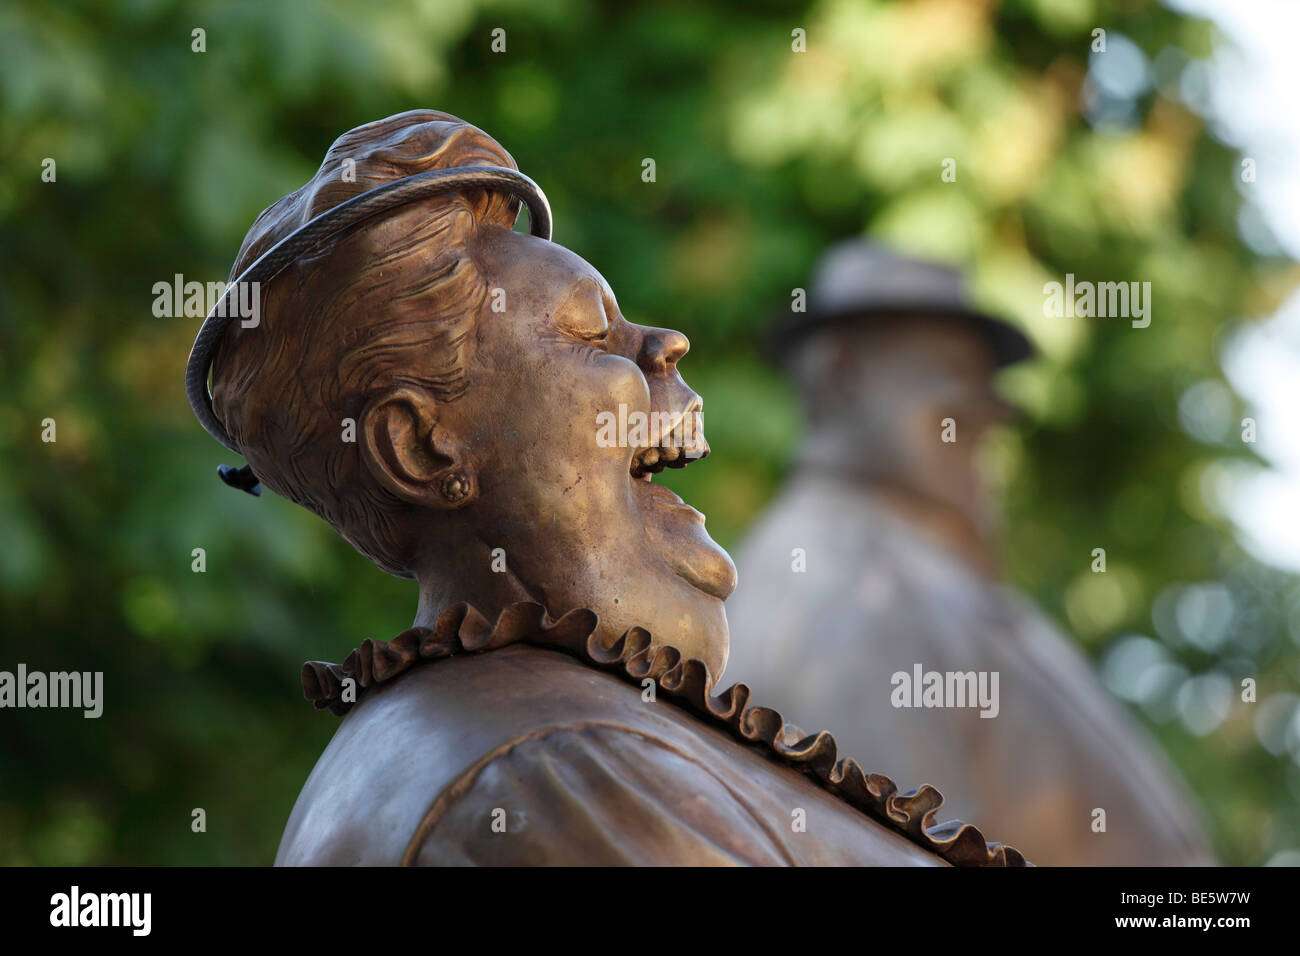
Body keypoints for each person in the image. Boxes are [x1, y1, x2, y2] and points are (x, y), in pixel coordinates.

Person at [186, 112, 1024, 866]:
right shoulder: (552, 770)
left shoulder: (556, 733)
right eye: (592, 336)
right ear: (422, 447)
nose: (668, 343)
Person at [723, 239, 1215, 866]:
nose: (986, 405)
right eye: (944, 367)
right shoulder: (840, 580)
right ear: (840, 375)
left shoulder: (933, 575)